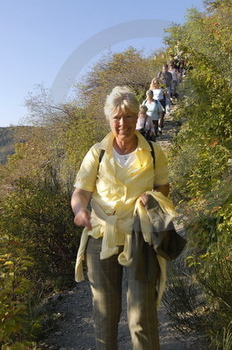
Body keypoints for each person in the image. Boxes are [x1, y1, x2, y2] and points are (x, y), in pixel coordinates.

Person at [71, 86, 172, 350]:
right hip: (101, 235)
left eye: (128, 116)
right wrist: (80, 210)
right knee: (105, 315)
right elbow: (81, 191)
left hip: (141, 234)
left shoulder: (152, 151)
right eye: (116, 117)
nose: (122, 123)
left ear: (137, 116)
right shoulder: (98, 152)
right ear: (109, 119)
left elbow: (164, 188)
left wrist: (151, 199)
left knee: (141, 316)